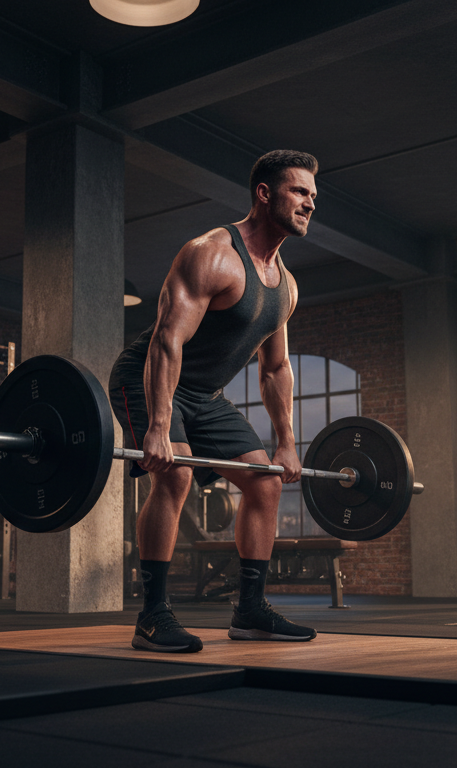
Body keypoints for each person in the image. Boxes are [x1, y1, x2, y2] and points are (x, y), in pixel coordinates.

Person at [109, 149, 319, 653]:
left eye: (313, 195)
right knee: (175, 473)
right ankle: (152, 616)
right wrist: (159, 427)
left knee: (265, 483)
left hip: (205, 396)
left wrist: (286, 442)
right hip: (147, 378)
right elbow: (167, 340)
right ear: (264, 194)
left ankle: (250, 611)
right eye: (298, 191)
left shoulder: (286, 287)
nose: (310, 203)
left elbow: (276, 368)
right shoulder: (211, 254)